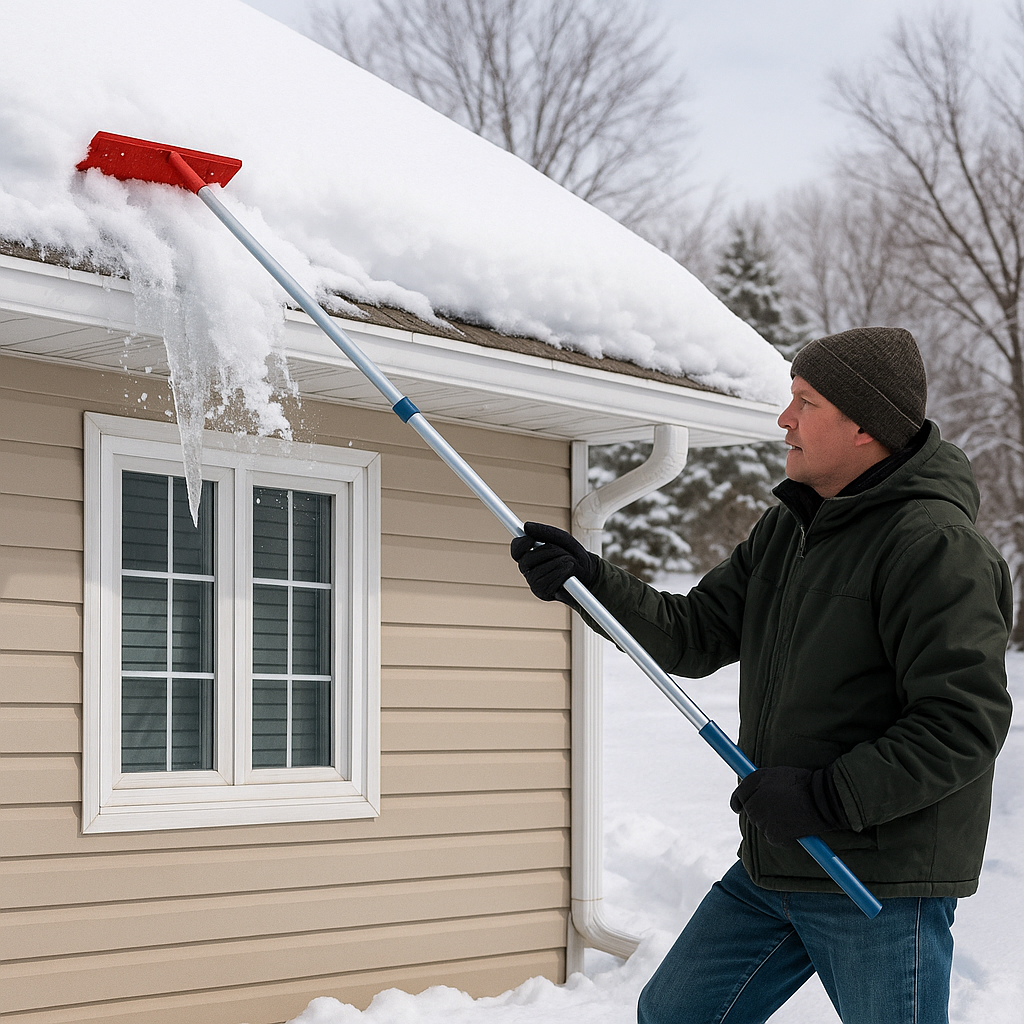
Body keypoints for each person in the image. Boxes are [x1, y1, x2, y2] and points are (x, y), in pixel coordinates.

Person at [510, 327, 1013, 1024]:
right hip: (778, 858)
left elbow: (962, 724)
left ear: (863, 426)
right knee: (678, 1011)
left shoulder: (935, 547)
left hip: (877, 876)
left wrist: (827, 798)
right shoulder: (791, 531)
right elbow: (694, 633)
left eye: (804, 402)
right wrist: (588, 584)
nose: (785, 420)